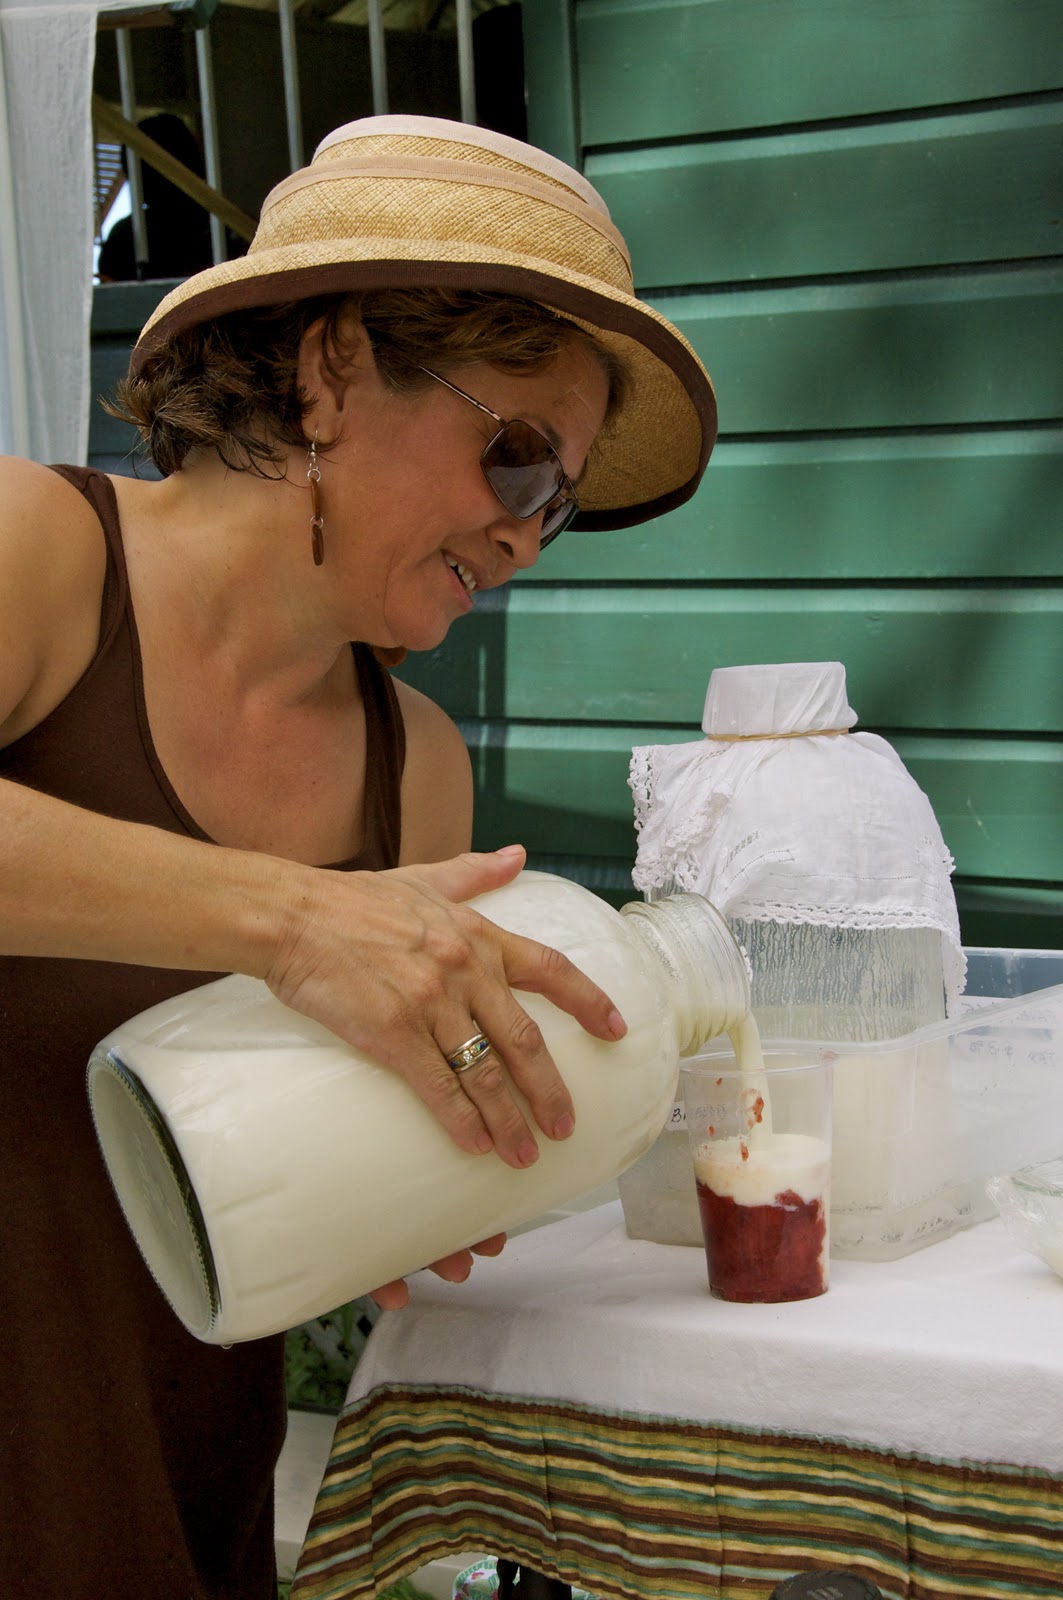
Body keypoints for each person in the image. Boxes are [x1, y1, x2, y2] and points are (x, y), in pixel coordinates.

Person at [0, 115, 716, 1597]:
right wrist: (291, 921)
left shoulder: (420, 774)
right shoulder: (38, 553)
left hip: (173, 1499)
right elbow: (306, 943)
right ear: (332, 366)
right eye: (519, 461)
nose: (531, 535)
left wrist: (417, 1183)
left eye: (563, 502)